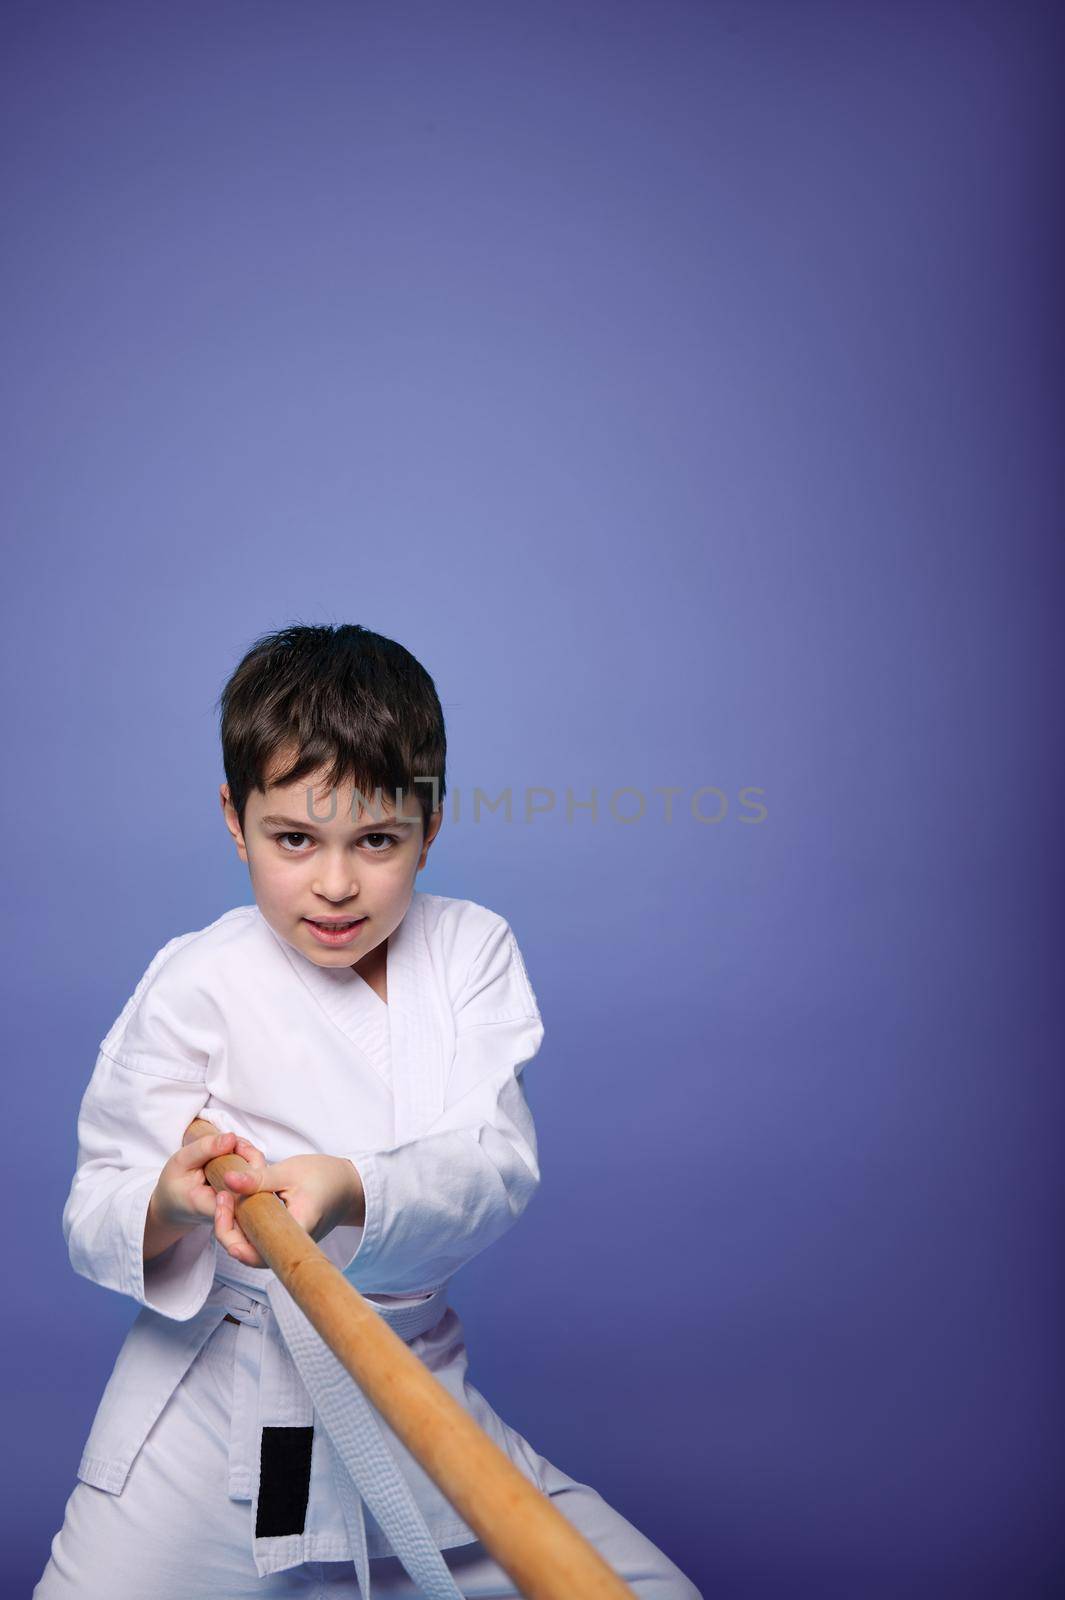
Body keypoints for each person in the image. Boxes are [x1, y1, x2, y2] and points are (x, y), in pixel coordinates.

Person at [34, 623, 701, 1599]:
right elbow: (92, 1209)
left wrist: (350, 1187)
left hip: (411, 1406)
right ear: (236, 818)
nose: (337, 883)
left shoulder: (471, 951)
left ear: (430, 822)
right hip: (208, 1425)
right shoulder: (195, 982)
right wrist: (169, 1198)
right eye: (294, 839)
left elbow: (492, 1165)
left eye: (376, 840)